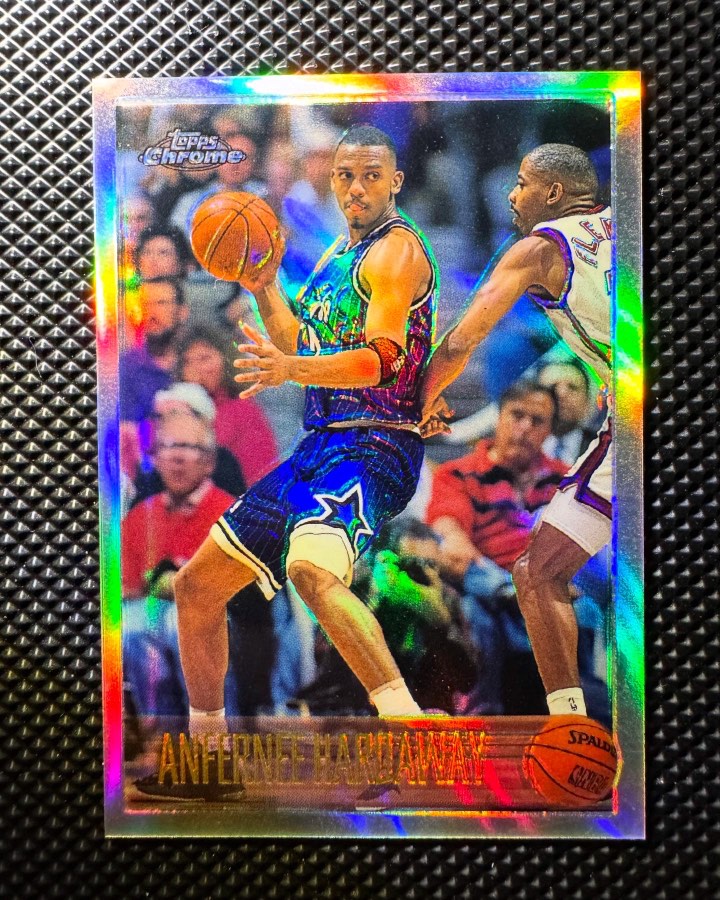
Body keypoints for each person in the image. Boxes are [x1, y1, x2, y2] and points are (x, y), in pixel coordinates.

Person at [147, 123, 438, 793]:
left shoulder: (395, 252)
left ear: (396, 181)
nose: (357, 188)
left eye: (371, 175)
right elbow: (297, 340)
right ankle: (210, 759)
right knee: (196, 589)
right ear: (331, 181)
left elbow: (379, 361)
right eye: (346, 176)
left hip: (374, 442)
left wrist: (291, 368)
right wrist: (262, 285)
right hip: (321, 444)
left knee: (311, 570)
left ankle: (413, 735)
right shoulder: (340, 250)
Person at [422, 143, 612, 718]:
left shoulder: (539, 249)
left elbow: (462, 338)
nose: (511, 194)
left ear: (553, 194)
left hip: (633, 429)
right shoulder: (625, 226)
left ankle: (570, 726)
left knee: (538, 573)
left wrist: (421, 398)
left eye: (523, 183)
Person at [426, 381, 568, 714]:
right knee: (474, 603)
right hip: (485, 583)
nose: (525, 428)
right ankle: (481, 716)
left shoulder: (567, 479)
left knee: (585, 607)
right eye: (517, 415)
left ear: (549, 430)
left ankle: (578, 716)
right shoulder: (457, 474)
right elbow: (451, 536)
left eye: (537, 421)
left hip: (546, 587)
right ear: (499, 418)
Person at [122, 413, 234, 719]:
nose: (177, 457)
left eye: (187, 446)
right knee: (132, 625)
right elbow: (129, 588)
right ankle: (160, 729)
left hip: (216, 619)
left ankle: (212, 731)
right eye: (168, 446)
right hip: (155, 615)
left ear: (209, 461)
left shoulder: (230, 512)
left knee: (181, 622)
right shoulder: (141, 515)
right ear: (156, 458)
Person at [177, 324, 279, 486]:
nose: (195, 369)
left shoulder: (243, 411)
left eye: (204, 359)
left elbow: (262, 473)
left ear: (225, 360)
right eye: (187, 362)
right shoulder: (176, 411)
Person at [119, 278, 188, 422]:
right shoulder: (125, 368)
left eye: (161, 303)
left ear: (182, 312)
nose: (151, 312)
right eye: (144, 304)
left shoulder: (199, 361)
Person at [538, 358, 601, 465]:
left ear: (587, 401)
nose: (561, 393)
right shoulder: (519, 446)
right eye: (552, 387)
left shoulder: (606, 449)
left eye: (572, 387)